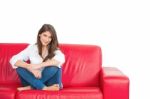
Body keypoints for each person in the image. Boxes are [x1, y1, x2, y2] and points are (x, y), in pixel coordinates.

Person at [9, 24, 65, 91]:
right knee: (19, 67)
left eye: (50, 37)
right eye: (45, 35)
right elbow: (13, 59)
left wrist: (38, 66)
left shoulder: (55, 49)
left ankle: (31, 87)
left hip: (50, 82)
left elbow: (61, 59)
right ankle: (44, 88)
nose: (47, 39)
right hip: (36, 80)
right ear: (40, 34)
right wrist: (30, 67)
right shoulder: (32, 48)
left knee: (54, 66)